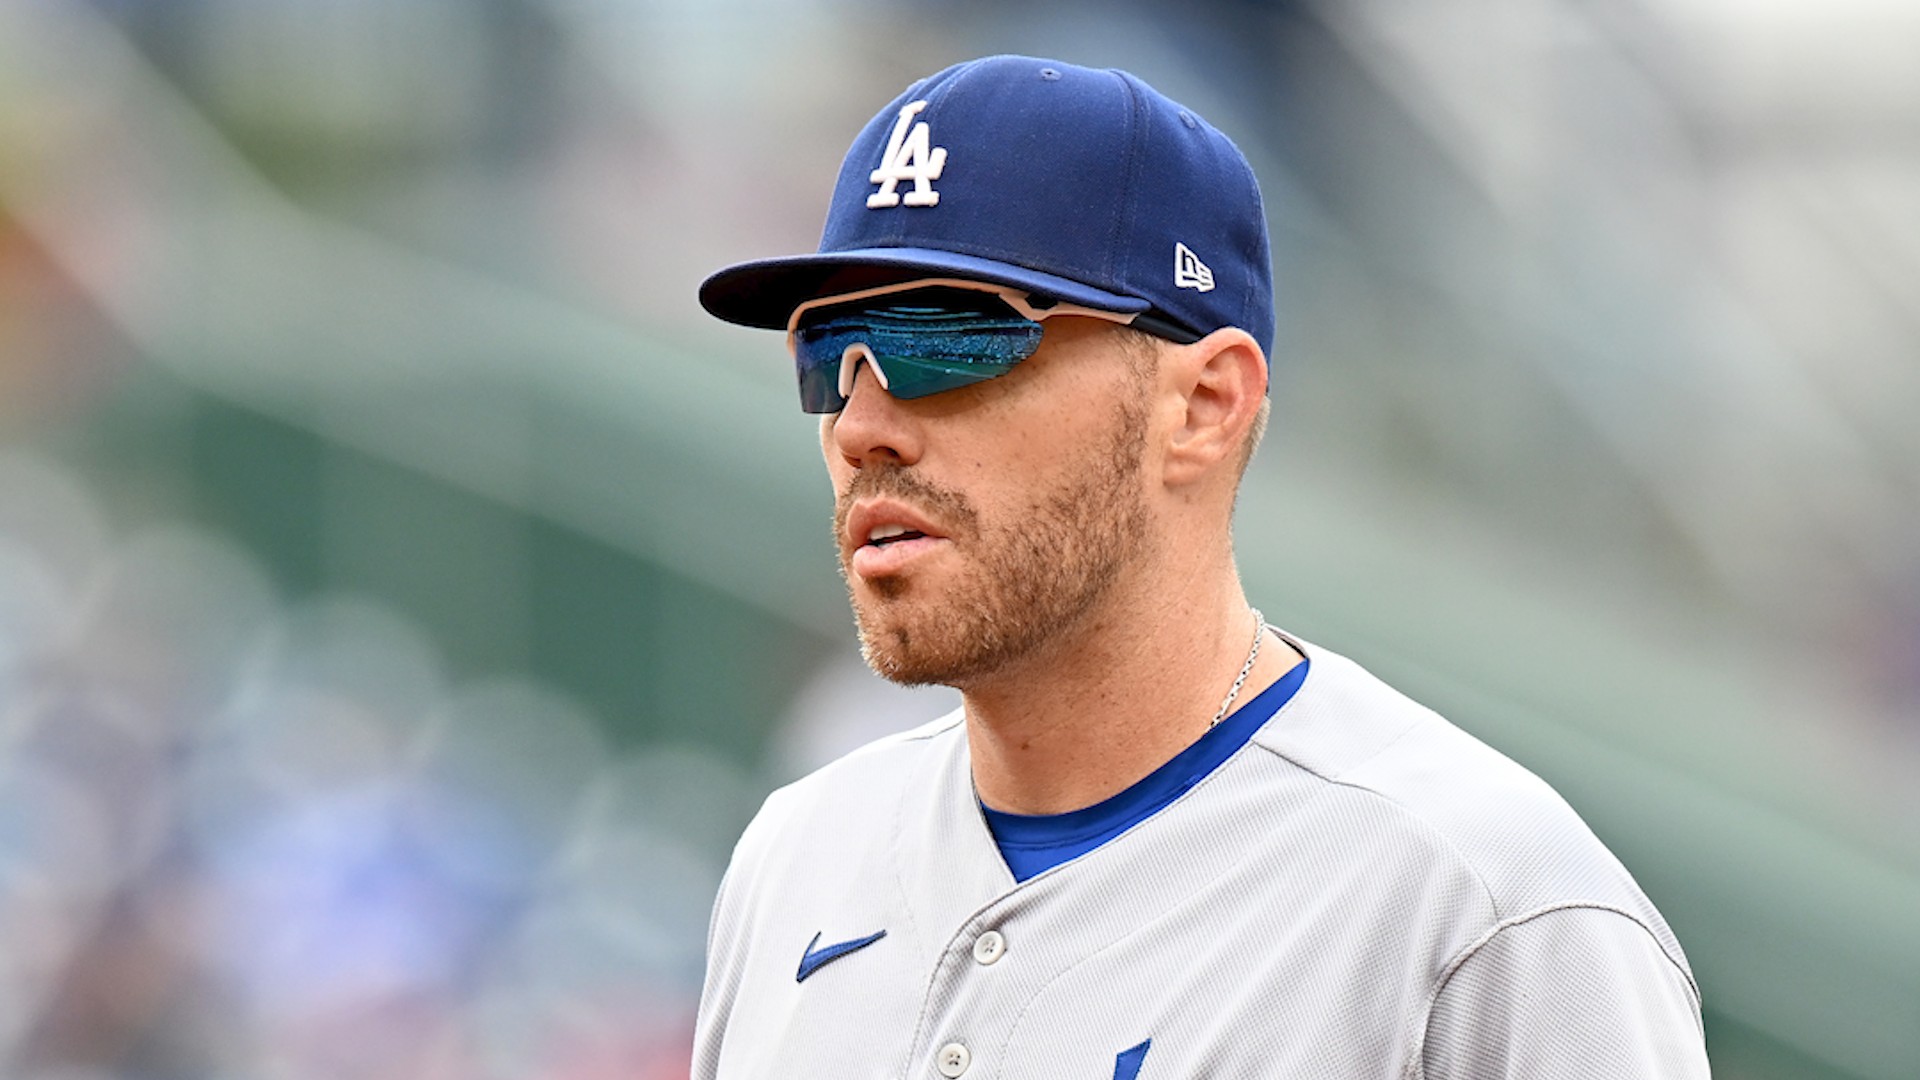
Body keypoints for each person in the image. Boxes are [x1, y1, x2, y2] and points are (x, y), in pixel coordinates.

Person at [692, 55, 1709, 1079]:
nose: (863, 427)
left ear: (1204, 405)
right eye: (830, 353)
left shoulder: (1485, 911)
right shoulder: (798, 854)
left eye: (945, 342)